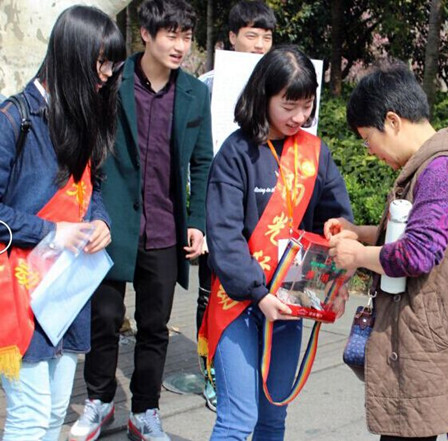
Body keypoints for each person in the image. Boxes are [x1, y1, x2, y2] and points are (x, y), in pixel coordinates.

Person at [325, 62, 448, 441]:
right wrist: (359, 233)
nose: (371, 152)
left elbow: (418, 253)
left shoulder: (442, 169)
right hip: (428, 337)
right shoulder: (437, 165)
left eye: (368, 139)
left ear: (392, 121)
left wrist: (356, 256)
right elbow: (413, 235)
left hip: (429, 342)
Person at [69, 1, 213, 440]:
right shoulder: (112, 81)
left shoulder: (195, 93)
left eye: (186, 36)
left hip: (166, 226)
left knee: (155, 326)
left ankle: (145, 410)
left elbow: (202, 161)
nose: (180, 46)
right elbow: (87, 149)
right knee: (104, 317)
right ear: (146, 35)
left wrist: (197, 219)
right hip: (110, 224)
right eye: (171, 35)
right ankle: (100, 400)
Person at [198, 45, 353, 441]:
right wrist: (258, 292)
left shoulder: (315, 154)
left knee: (273, 418)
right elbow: (224, 235)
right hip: (238, 302)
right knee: (237, 420)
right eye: (289, 105)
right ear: (263, 96)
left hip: (289, 302)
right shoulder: (235, 153)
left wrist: (333, 273)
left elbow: (336, 218)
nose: (299, 117)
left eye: (307, 105)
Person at [0, 5, 125, 441]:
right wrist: (52, 231)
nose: (106, 75)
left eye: (112, 65)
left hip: (67, 289)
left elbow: (95, 189)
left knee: (54, 412)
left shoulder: (82, 114)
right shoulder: (14, 118)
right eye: (101, 62)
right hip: (20, 290)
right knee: (31, 416)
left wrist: (102, 221)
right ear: (70, 53)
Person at [196, 0, 277, 412]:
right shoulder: (208, 85)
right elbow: (196, 154)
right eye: (251, 35)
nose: (260, 45)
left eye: (267, 37)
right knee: (211, 291)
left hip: (265, 212)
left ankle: (252, 371)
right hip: (221, 204)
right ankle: (213, 372)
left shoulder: (280, 82)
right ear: (231, 38)